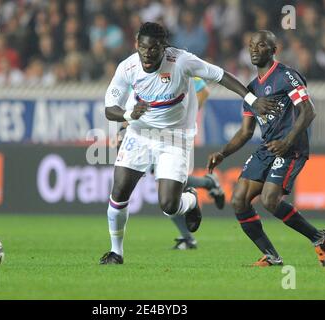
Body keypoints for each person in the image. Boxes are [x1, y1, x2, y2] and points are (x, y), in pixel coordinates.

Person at [101, 22, 276, 265]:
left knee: (169, 206)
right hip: (140, 135)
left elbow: (221, 75)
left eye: (153, 49)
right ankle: (116, 252)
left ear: (164, 47)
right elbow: (110, 109)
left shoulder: (182, 61)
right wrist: (129, 116)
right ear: (136, 45)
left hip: (175, 138)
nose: (147, 54)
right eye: (142, 48)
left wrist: (251, 98)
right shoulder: (127, 67)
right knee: (119, 192)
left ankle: (191, 199)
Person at [207, 30, 325, 267]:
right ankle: (272, 256)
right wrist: (223, 153)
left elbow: (309, 111)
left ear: (273, 50)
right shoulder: (251, 89)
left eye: (262, 45)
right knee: (239, 200)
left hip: (291, 147)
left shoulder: (287, 76)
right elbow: (246, 131)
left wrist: (287, 140)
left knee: (270, 200)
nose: (254, 49)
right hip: (268, 148)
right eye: (251, 45)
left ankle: (318, 237)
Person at [112, 77, 225, 251]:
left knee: (168, 186)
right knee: (167, 186)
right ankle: (210, 184)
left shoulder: (175, 68)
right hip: (145, 138)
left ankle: (209, 186)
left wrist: (188, 116)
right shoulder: (134, 72)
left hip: (172, 136)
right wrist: (123, 130)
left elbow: (203, 90)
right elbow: (135, 109)